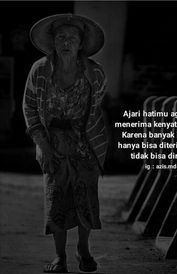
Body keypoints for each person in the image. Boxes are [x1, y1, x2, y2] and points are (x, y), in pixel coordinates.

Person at [22, 13, 108, 273]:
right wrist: (43, 145)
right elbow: (29, 106)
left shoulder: (94, 72)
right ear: (53, 42)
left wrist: (94, 147)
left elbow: (97, 110)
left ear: (81, 43)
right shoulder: (39, 70)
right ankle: (60, 257)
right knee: (56, 198)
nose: (66, 42)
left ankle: (83, 250)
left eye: (72, 37)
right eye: (60, 37)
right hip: (52, 144)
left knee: (86, 199)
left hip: (85, 144)